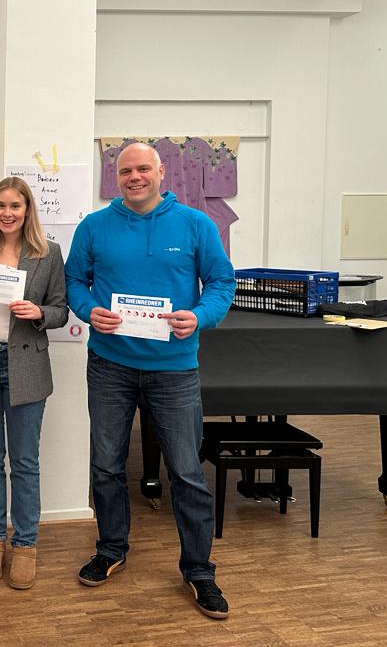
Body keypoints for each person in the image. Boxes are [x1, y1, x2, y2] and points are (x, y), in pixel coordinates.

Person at [64, 142, 236, 620]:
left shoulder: (197, 225)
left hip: (175, 369)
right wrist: (87, 310)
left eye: (143, 169)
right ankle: (111, 548)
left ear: (162, 172)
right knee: (106, 465)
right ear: (114, 177)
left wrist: (199, 317)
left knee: (185, 472)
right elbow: (74, 280)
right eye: (125, 171)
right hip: (110, 366)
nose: (134, 177)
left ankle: (199, 570)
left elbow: (223, 282)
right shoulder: (94, 227)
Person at [0, 176, 68, 590]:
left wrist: (37, 311)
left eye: (15, 206)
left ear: (27, 211)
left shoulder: (48, 253)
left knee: (24, 462)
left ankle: (24, 545)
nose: (7, 213)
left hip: (26, 366)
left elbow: (61, 310)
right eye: (0, 205)